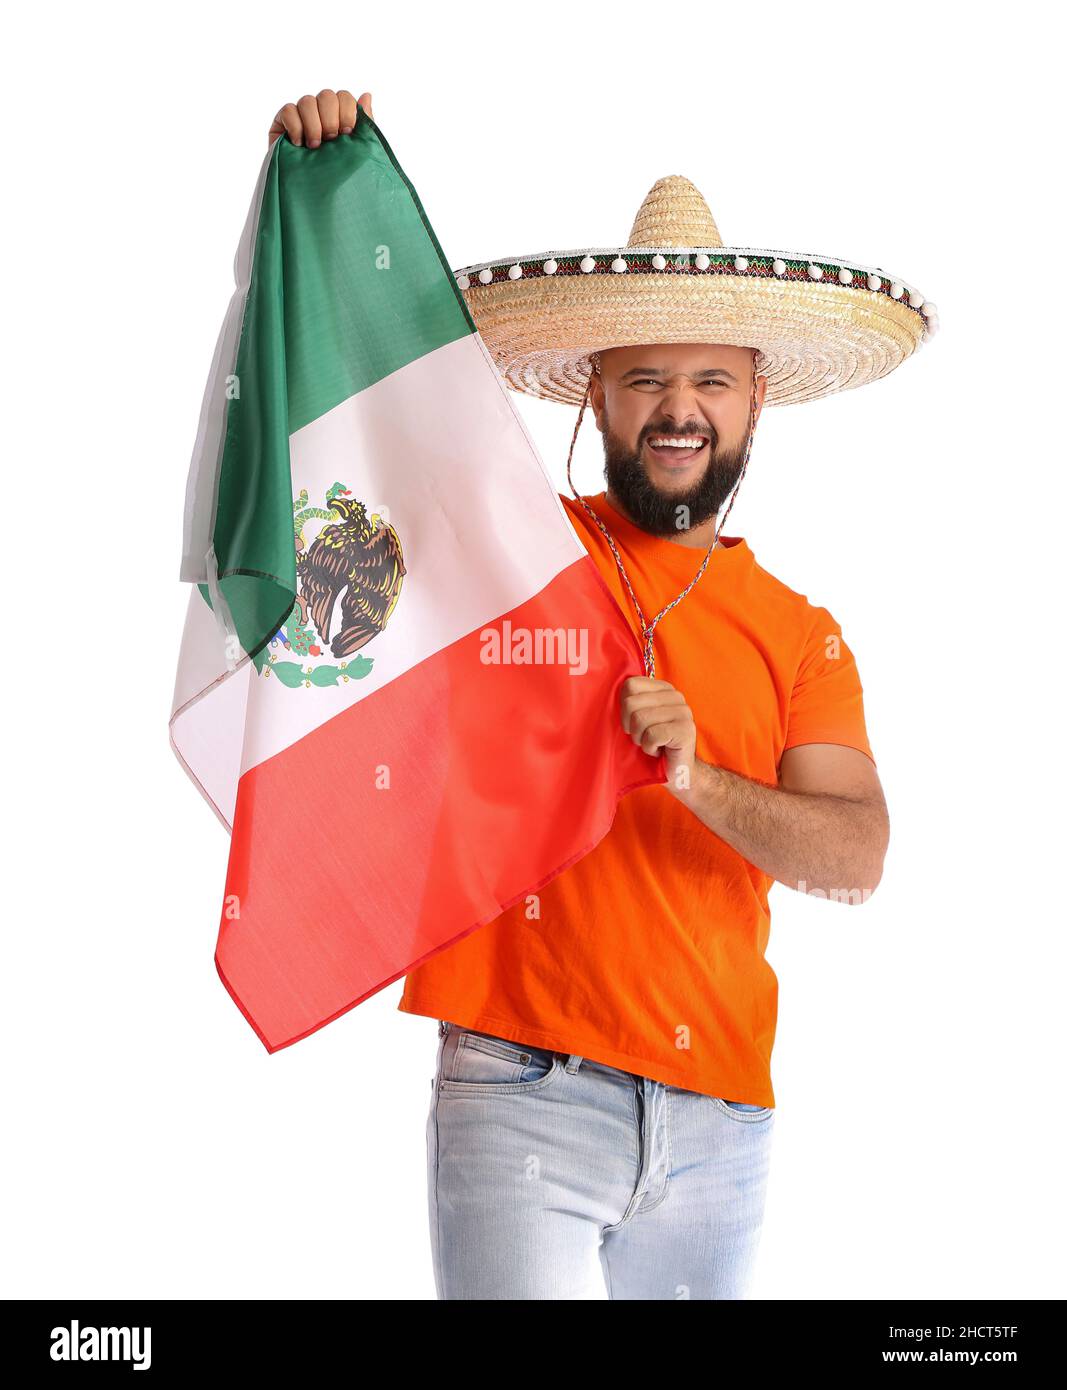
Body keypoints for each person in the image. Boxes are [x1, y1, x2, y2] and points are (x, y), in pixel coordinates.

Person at [267, 90, 935, 1300]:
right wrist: (329, 192)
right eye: (643, 379)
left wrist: (694, 780)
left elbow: (854, 854)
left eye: (709, 382)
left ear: (753, 400)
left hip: (723, 1122)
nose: (678, 409)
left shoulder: (801, 635)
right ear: (594, 396)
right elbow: (379, 436)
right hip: (521, 1093)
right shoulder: (515, 555)